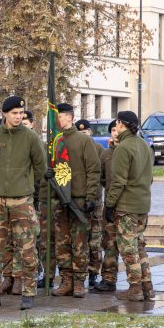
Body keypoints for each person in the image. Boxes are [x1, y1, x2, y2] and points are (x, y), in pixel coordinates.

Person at [0, 96, 46, 310]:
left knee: (27, 247)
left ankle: (29, 292)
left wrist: (26, 187)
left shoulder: (31, 137)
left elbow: (40, 167)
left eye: (21, 114)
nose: (18, 117)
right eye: (14, 113)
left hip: (22, 200)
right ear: (5, 113)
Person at [50, 104, 101, 297]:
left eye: (61, 117)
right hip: (60, 199)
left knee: (80, 243)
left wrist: (91, 197)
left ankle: (80, 280)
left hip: (78, 198)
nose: (58, 121)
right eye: (57, 117)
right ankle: (66, 280)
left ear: (70, 117)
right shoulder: (55, 141)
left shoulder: (83, 141)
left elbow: (93, 170)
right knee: (62, 242)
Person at [105, 111, 154, 301]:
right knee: (140, 246)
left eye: (117, 123)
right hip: (143, 205)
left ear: (120, 124)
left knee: (128, 248)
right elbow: (149, 178)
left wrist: (109, 205)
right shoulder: (143, 145)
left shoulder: (123, 148)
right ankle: (147, 286)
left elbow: (118, 182)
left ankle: (135, 288)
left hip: (127, 206)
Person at [76, 118, 105, 289]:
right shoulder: (73, 149)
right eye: (80, 133)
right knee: (79, 240)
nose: (83, 135)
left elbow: (100, 176)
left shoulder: (99, 150)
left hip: (95, 201)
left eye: (85, 132)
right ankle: (79, 273)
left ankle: (94, 272)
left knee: (94, 240)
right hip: (78, 201)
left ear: (90, 133)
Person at [95, 120, 120, 293]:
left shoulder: (130, 150)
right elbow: (102, 178)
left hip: (128, 205)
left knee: (132, 245)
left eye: (117, 130)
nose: (115, 133)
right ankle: (108, 279)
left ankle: (140, 282)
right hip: (110, 205)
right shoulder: (106, 154)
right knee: (109, 243)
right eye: (112, 130)